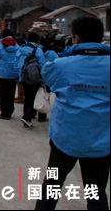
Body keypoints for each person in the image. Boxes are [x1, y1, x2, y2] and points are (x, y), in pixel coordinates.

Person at [35, 17, 110, 210]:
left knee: (50, 187)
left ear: (75, 38)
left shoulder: (61, 65)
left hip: (64, 141)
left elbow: (48, 78)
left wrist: (68, 54)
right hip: (101, 142)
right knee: (96, 193)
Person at [14, 32, 46, 128]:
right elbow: (42, 64)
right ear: (37, 40)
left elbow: (16, 62)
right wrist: (43, 78)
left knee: (27, 97)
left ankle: (27, 116)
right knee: (34, 97)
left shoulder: (21, 49)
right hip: (34, 77)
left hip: (23, 75)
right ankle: (27, 116)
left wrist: (19, 75)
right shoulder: (38, 49)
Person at [0, 29, 20, 119]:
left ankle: (4, 113)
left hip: (2, 73)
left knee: (2, 93)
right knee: (11, 93)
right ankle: (10, 111)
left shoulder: (0, 46)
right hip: (13, 73)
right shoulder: (17, 46)